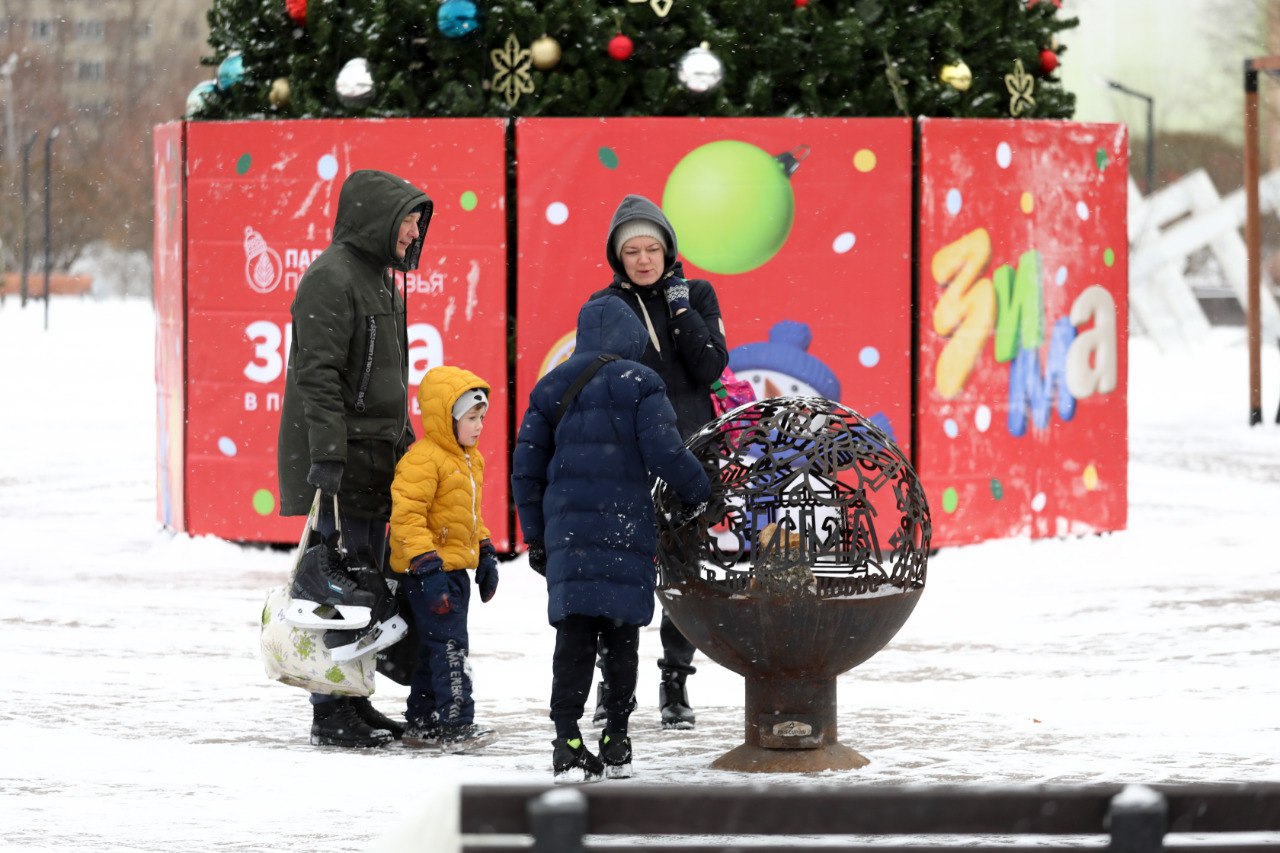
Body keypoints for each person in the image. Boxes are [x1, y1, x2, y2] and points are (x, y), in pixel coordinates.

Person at [512, 295, 712, 783]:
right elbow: (665, 452)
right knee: (621, 639)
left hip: (570, 534)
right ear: (633, 340)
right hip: (625, 527)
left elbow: (526, 473)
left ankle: (567, 742)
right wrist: (700, 490)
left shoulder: (550, 388)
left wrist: (537, 538)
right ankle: (617, 740)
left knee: (574, 637)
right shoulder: (640, 382)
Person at [277, 169, 431, 749]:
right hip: (340, 459)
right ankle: (329, 711)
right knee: (332, 590)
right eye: (409, 220)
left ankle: (353, 700)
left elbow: (388, 379)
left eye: (419, 221)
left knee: (362, 583)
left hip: (374, 453)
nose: (415, 232)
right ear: (378, 218)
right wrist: (327, 457)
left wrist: (405, 437)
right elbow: (315, 377)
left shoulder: (383, 280)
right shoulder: (331, 278)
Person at [587, 194, 729, 730]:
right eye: (632, 252)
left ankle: (675, 683)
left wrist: (679, 307)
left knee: (682, 572)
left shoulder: (697, 293)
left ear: (668, 250)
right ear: (617, 257)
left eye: (653, 249)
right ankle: (611, 683)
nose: (644, 260)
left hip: (691, 453)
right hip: (629, 458)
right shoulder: (606, 305)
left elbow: (710, 362)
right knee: (619, 574)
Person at [388, 366, 499, 754]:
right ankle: (457, 723)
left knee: (433, 646)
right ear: (446, 419)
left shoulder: (470, 460)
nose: (479, 426)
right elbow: (406, 517)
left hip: (452, 571)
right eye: (471, 418)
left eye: (482, 418)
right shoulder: (424, 460)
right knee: (451, 648)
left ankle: (423, 720)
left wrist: (484, 551)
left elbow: (468, 517)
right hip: (427, 573)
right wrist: (428, 565)